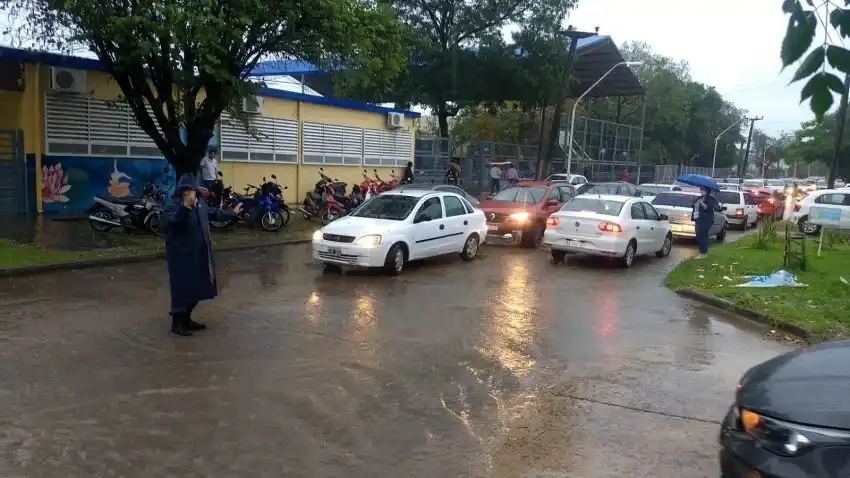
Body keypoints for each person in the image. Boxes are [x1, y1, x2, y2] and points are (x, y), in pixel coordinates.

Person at [165, 174, 240, 336]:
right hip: (181, 257)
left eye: (191, 190)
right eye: (185, 191)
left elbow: (214, 214)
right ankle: (177, 323)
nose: (189, 193)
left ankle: (187, 318)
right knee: (182, 289)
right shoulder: (173, 206)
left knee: (198, 287)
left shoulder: (200, 205)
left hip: (199, 254)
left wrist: (232, 214)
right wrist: (184, 207)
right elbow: (172, 223)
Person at [693, 186, 719, 260]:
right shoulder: (700, 198)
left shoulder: (711, 199)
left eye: (703, 190)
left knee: (702, 235)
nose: (701, 191)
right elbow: (695, 205)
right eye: (701, 189)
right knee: (698, 236)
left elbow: (709, 208)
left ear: (707, 190)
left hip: (706, 220)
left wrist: (702, 203)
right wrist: (694, 202)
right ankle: (702, 252)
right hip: (698, 218)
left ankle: (703, 253)